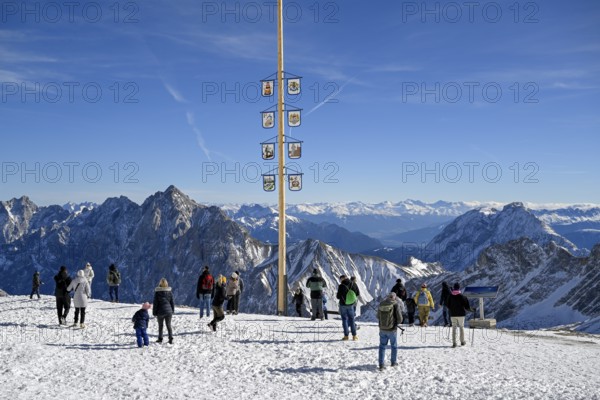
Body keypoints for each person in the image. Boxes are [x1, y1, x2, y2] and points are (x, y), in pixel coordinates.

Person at [377, 292, 405, 370]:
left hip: (382, 329)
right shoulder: (395, 305)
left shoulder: (381, 304)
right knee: (394, 346)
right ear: (394, 298)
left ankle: (381, 364)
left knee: (382, 346)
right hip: (392, 329)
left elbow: (377, 316)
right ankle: (393, 362)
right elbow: (400, 319)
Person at [447, 282, 472, 347]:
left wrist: (452, 308)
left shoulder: (450, 296)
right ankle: (462, 341)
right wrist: (471, 309)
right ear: (459, 288)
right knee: (461, 327)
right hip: (461, 315)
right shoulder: (463, 297)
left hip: (453, 314)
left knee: (454, 328)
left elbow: (447, 305)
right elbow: (467, 307)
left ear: (454, 288)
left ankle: (454, 342)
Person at [336, 275, 360, 341]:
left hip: (343, 305)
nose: (340, 281)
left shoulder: (341, 286)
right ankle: (354, 336)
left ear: (342, 279)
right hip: (351, 305)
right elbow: (358, 293)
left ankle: (346, 336)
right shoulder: (353, 284)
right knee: (352, 319)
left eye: (340, 279)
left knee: (344, 320)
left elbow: (338, 296)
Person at [153, 278, 175, 344]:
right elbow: (172, 302)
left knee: (160, 325)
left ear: (160, 284)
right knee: (168, 325)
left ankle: (160, 338)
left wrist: (154, 312)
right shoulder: (169, 292)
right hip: (169, 311)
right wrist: (172, 310)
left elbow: (155, 303)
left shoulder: (157, 292)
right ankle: (170, 338)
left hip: (160, 311)